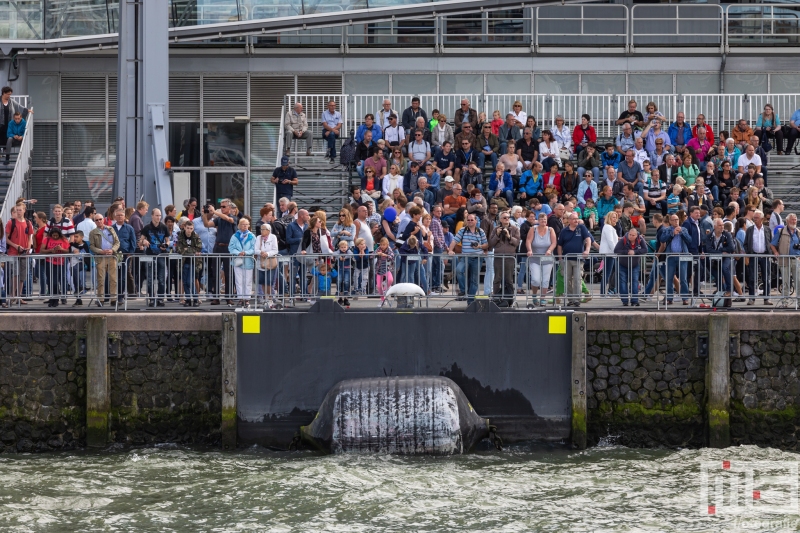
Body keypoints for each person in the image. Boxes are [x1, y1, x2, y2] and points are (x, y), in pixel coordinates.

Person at [202, 198, 239, 305]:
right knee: (215, 272)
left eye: (223, 206)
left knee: (228, 273)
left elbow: (229, 219)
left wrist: (214, 212)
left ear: (229, 207)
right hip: (217, 247)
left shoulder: (233, 217)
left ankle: (228, 297)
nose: (221, 208)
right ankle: (216, 297)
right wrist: (204, 214)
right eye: (221, 206)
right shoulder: (218, 219)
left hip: (228, 248)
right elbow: (207, 225)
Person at [448, 213, 487, 304]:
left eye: (472, 220)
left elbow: (486, 244)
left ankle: (470, 301)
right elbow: (454, 241)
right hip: (465, 257)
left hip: (477, 257)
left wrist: (479, 246)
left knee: (474, 280)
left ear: (476, 221)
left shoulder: (481, 231)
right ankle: (464, 290)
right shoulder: (463, 230)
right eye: (468, 220)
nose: (470, 221)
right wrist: (450, 250)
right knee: (458, 270)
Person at [556, 212, 591, 306]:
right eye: (574, 219)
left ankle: (577, 299)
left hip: (578, 259)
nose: (576, 220)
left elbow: (588, 239)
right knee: (567, 280)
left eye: (577, 218)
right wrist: (560, 259)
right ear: (569, 220)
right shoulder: (564, 231)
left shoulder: (581, 228)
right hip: (566, 258)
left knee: (577, 279)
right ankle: (570, 299)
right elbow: (559, 245)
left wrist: (587, 250)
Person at [140, 208, 171, 307]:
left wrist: (165, 245)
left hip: (161, 255)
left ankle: (160, 298)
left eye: (160, 215)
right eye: (157, 215)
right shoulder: (147, 228)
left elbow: (168, 240)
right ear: (152, 216)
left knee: (161, 278)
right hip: (150, 254)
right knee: (149, 279)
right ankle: (152, 298)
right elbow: (140, 241)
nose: (158, 217)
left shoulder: (164, 227)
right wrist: (144, 242)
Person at [487, 211, 519, 306]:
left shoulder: (515, 229)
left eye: (508, 217)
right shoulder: (495, 229)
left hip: (510, 257)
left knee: (509, 279)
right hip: (498, 257)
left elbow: (517, 243)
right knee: (497, 279)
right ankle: (496, 299)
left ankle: (510, 299)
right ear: (500, 219)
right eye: (504, 217)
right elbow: (491, 244)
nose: (507, 219)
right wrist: (497, 235)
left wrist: (509, 236)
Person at [88, 212, 120, 308]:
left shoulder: (110, 229)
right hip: (101, 257)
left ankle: (114, 299)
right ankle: (100, 299)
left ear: (103, 219)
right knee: (101, 279)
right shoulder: (93, 232)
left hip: (111, 257)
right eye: (96, 220)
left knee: (113, 279)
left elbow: (117, 242)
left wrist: (112, 250)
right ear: (94, 222)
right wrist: (101, 251)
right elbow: (91, 246)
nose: (99, 221)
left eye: (100, 219)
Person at [659, 213, 691, 305]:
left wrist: (681, 233)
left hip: (682, 256)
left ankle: (685, 298)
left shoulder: (684, 229)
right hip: (671, 256)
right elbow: (662, 239)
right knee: (669, 278)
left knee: (683, 278)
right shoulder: (667, 230)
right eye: (673, 220)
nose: (676, 221)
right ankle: (669, 298)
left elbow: (689, 240)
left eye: (677, 220)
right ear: (670, 221)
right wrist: (673, 234)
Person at [526, 212, 556, 306]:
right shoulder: (533, 229)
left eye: (545, 219)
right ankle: (534, 295)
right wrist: (530, 250)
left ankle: (543, 298)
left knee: (546, 280)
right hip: (535, 258)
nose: (543, 221)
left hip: (547, 258)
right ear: (538, 221)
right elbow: (528, 240)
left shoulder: (550, 230)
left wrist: (550, 250)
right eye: (542, 219)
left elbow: (554, 242)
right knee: (535, 279)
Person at [744, 210, 773, 306]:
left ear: (762, 219)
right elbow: (746, 243)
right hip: (754, 255)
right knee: (752, 278)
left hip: (765, 255)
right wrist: (748, 253)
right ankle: (751, 298)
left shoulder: (767, 229)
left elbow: (771, 242)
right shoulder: (750, 230)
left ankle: (766, 298)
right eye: (754, 218)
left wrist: (771, 252)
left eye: (756, 218)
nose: (755, 219)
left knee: (766, 278)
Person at [771, 213, 800, 306]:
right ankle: (785, 302)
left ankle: (799, 302)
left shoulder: (798, 232)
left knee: (798, 281)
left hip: (796, 260)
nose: (794, 221)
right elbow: (772, 244)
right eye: (792, 219)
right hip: (784, 260)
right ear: (787, 221)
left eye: (795, 219)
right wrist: (776, 252)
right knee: (785, 282)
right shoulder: (780, 231)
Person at [614, 228, 646, 306]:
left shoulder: (640, 240)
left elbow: (645, 250)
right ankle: (625, 300)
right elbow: (616, 250)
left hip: (634, 265)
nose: (631, 236)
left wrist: (635, 252)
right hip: (623, 264)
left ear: (636, 235)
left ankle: (634, 300)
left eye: (633, 235)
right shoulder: (623, 240)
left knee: (634, 282)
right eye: (630, 235)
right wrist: (627, 252)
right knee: (623, 282)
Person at [228, 218, 255, 308]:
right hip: (238, 261)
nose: (245, 226)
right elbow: (231, 247)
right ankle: (240, 299)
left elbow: (254, 248)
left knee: (248, 281)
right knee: (239, 281)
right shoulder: (235, 236)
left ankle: (247, 299)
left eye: (246, 224)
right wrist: (238, 253)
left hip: (248, 261)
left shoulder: (252, 236)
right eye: (243, 224)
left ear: (249, 225)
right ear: (239, 225)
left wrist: (246, 253)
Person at [176, 219, 203, 307]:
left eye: (191, 228)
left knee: (190, 281)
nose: (189, 230)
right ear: (184, 227)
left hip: (193, 262)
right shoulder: (180, 236)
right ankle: (188, 299)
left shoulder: (196, 236)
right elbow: (179, 249)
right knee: (185, 282)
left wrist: (187, 249)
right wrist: (190, 250)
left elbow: (198, 248)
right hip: (183, 262)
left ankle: (195, 299)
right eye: (188, 228)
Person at [40, 227, 69, 308]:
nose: (55, 237)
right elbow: (42, 250)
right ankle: (52, 299)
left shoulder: (64, 240)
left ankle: (56, 299)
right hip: (49, 262)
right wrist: (50, 250)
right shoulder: (47, 239)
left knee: (56, 282)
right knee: (50, 281)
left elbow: (68, 250)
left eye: (56, 235)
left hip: (60, 262)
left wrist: (61, 249)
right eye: (53, 235)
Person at [375, 237, 395, 307]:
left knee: (390, 279)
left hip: (387, 268)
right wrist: (376, 254)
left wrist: (385, 255)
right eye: (381, 245)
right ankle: (382, 300)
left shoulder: (389, 249)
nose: (382, 246)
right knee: (379, 286)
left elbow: (392, 256)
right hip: (379, 269)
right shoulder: (378, 249)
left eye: (384, 245)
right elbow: (371, 256)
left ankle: (386, 289)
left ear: (387, 245)